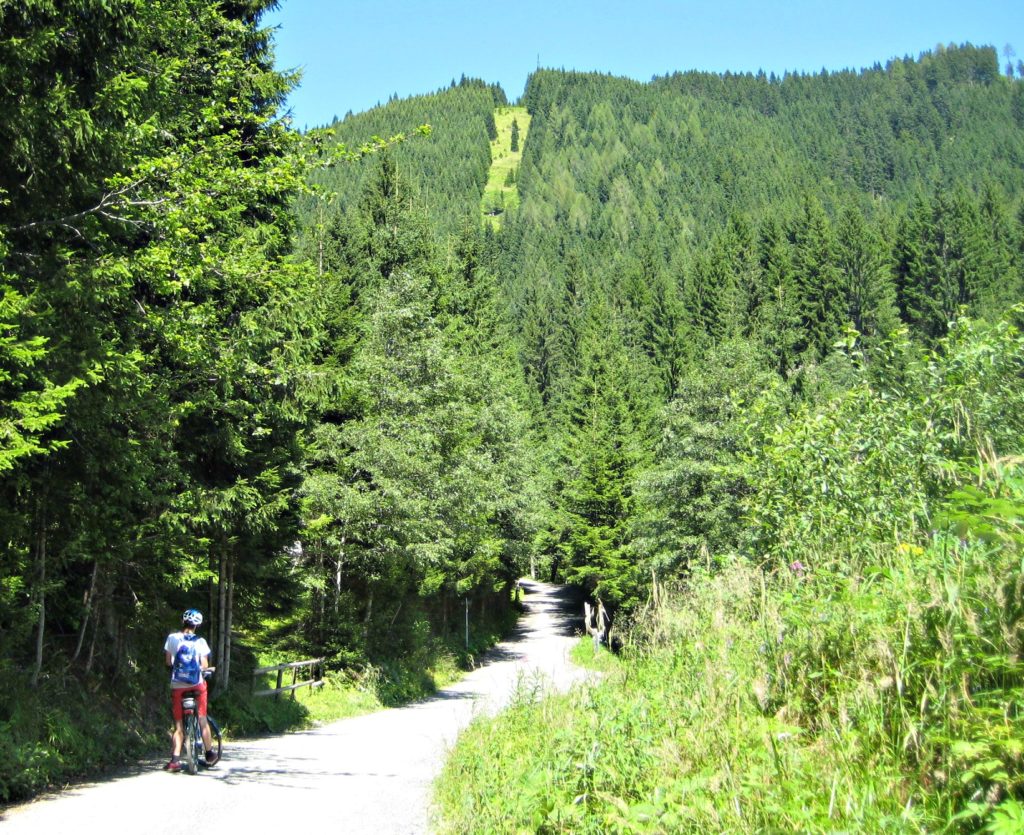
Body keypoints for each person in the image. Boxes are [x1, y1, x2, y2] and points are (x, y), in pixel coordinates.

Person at [163, 608, 219, 771]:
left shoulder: (172, 638)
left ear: (183, 621)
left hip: (178, 684)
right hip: (197, 684)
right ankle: (209, 753)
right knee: (202, 718)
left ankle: (174, 761)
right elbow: (204, 665)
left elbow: (168, 662)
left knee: (179, 725)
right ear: (198, 625)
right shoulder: (200, 641)